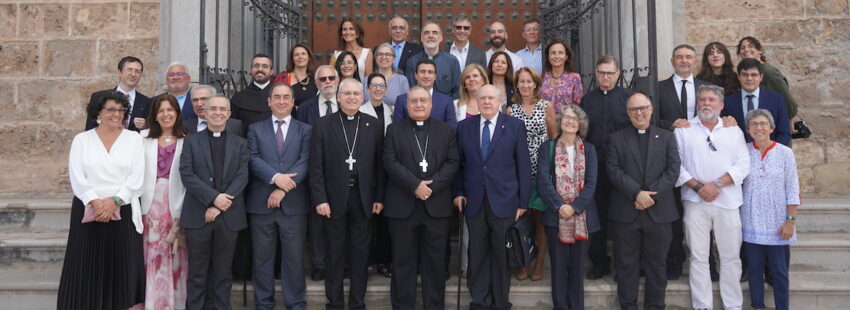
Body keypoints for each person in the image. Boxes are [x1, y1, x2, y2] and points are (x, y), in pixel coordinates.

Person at [59, 90, 145, 309]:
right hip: (89, 209)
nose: (117, 114)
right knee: (87, 264)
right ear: (98, 111)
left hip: (122, 209)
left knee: (121, 265)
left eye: (121, 110)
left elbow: (137, 177)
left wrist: (114, 202)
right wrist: (97, 203)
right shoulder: (82, 140)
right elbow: (77, 176)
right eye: (111, 109)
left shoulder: (133, 139)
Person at [453, 84, 531, 309]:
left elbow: (524, 166)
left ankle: (499, 302)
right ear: (476, 101)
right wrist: (458, 192)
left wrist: (523, 202)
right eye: (483, 98)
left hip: (505, 201)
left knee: (500, 254)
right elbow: (459, 165)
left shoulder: (515, 126)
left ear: (500, 102)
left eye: (491, 98)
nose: (487, 102)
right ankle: (479, 300)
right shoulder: (464, 127)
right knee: (477, 253)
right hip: (474, 201)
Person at [310, 78, 385, 309]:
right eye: (347, 94)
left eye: (356, 93)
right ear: (339, 97)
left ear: (362, 97)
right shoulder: (323, 124)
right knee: (334, 255)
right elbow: (316, 166)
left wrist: (379, 198)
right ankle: (334, 303)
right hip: (333, 200)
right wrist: (320, 198)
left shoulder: (373, 124)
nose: (352, 97)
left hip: (363, 199)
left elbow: (380, 166)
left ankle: (357, 303)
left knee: (360, 256)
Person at [383, 86, 460, 309]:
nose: (418, 105)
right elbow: (389, 162)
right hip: (402, 206)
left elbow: (453, 162)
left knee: (435, 265)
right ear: (406, 105)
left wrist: (430, 187)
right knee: (402, 263)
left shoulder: (446, 131)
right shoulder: (394, 130)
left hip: (435, 208)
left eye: (423, 101)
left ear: (430, 104)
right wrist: (414, 185)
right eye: (414, 101)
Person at [675, 84, 750, 310]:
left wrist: (717, 184)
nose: (706, 104)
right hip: (695, 202)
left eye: (711, 100)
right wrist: (699, 187)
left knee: (730, 257)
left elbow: (743, 165)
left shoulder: (733, 130)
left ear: (721, 105)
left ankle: (733, 305)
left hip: (727, 202)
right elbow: (675, 165)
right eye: (702, 100)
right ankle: (702, 305)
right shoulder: (684, 130)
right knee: (698, 258)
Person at [607, 93, 681, 310]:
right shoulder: (616, 138)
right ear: (628, 113)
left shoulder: (667, 137)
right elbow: (613, 170)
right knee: (626, 264)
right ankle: (628, 305)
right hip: (625, 211)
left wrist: (649, 195)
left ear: (651, 109)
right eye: (633, 109)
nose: (639, 113)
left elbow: (673, 170)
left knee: (657, 264)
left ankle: (655, 306)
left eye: (643, 108)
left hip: (659, 212)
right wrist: (636, 193)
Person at [245, 83, 312, 310]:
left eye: (286, 97)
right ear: (269, 101)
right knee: (262, 259)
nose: (281, 101)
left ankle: (295, 304)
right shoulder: (255, 129)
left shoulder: (305, 129)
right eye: (277, 97)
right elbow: (252, 158)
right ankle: (263, 304)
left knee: (294, 259)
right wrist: (275, 177)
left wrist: (283, 188)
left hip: (293, 205)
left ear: (293, 102)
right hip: (261, 205)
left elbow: (305, 161)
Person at [179, 95, 249, 310]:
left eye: (222, 109)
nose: (218, 112)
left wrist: (219, 204)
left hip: (229, 216)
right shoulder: (190, 141)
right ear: (205, 113)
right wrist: (213, 198)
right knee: (197, 273)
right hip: (197, 215)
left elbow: (242, 176)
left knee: (223, 272)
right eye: (213, 109)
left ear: (229, 114)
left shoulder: (241, 143)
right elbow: (187, 174)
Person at [655, 45, 713, 280]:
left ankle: (709, 263)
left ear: (695, 60)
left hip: (701, 157)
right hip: (669, 155)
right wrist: (670, 124)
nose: (684, 61)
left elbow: (715, 116)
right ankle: (675, 259)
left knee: (703, 210)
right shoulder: (659, 89)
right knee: (675, 213)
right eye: (679, 57)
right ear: (672, 60)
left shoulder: (706, 89)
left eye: (688, 57)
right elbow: (652, 117)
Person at [535, 104, 599, 310]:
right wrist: (560, 206)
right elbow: (543, 182)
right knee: (559, 268)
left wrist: (575, 207)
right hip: (556, 217)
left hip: (583, 216)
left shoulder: (589, 149)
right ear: (560, 122)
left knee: (577, 268)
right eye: (566, 118)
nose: (570, 121)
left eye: (574, 118)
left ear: (580, 124)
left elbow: (591, 183)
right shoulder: (548, 148)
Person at [580, 55, 632, 280]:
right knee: (597, 215)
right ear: (596, 73)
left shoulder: (628, 99)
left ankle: (626, 264)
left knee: (623, 216)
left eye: (610, 73)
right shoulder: (587, 100)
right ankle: (600, 262)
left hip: (623, 167)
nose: (606, 77)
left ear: (618, 74)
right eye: (601, 73)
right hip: (596, 167)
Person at [741, 109, 799, 310]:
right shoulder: (742, 151)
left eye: (763, 123)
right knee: (754, 270)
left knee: (779, 272)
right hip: (751, 221)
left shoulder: (785, 153)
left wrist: (790, 220)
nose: (759, 127)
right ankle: (758, 306)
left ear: (772, 128)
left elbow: (793, 189)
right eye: (754, 124)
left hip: (778, 223)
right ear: (748, 129)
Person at [505, 67, 557, 281]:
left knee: (539, 220)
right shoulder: (510, 110)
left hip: (541, 171)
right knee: (519, 219)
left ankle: (539, 264)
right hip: (517, 172)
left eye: (529, 81)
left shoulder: (546, 106)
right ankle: (522, 262)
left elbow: (553, 138)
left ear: (535, 84)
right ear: (516, 84)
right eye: (521, 81)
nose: (525, 85)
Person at [137, 94, 189, 310]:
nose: (166, 114)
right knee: (152, 255)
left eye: (170, 110)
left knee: (175, 253)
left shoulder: (188, 139)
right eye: (161, 111)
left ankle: (174, 304)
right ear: (154, 116)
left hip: (177, 202)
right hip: (149, 205)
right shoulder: (142, 138)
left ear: (177, 113)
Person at [294, 65, 340, 281]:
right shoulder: (305, 108)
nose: (327, 81)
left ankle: (341, 262)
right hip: (316, 172)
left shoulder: (348, 102)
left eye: (331, 77)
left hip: (343, 171)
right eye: (323, 79)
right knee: (318, 223)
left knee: (341, 222)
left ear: (338, 80)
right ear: (316, 83)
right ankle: (319, 264)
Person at [452, 63, 489, 278]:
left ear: (484, 79)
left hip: (489, 171)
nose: (472, 79)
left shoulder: (495, 103)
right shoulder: (456, 105)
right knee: (468, 222)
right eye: (468, 77)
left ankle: (486, 263)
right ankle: (466, 266)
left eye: (476, 76)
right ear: (464, 82)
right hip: (465, 169)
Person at [360, 72, 394, 278]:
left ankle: (383, 259)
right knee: (367, 219)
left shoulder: (393, 110)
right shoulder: (361, 110)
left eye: (382, 85)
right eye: (374, 85)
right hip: (367, 171)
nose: (378, 89)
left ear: (386, 89)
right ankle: (368, 260)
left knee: (384, 221)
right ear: (367, 89)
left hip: (387, 172)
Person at [722, 58, 792, 146]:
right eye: (745, 75)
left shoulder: (776, 99)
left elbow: (784, 132)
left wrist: (772, 152)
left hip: (769, 154)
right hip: (739, 156)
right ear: (738, 77)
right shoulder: (728, 102)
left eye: (754, 75)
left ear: (761, 77)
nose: (749, 78)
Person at [737, 36, 798, 121]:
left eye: (750, 46)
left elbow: (787, 99)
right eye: (742, 48)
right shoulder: (745, 71)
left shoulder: (767, 70)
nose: (746, 50)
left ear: (760, 51)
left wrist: (789, 121)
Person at [85, 56, 152, 132]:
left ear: (140, 75)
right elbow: (90, 128)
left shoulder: (147, 102)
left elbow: (151, 132)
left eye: (137, 71)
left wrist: (145, 125)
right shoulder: (99, 97)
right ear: (119, 73)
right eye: (129, 70)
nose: (133, 74)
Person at [404, 22, 462, 99]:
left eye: (434, 33)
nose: (430, 36)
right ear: (421, 38)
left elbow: (456, 91)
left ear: (440, 38)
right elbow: (410, 89)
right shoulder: (412, 62)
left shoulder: (452, 61)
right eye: (426, 33)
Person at [394, 58, 458, 127]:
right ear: (416, 75)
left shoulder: (446, 101)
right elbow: (396, 129)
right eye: (422, 72)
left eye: (430, 72)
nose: (426, 76)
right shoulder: (401, 100)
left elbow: (452, 130)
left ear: (435, 76)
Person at [231, 54, 276, 133]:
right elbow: (233, 127)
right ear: (251, 70)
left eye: (265, 66)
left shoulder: (280, 97)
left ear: (271, 71)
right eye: (256, 65)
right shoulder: (239, 98)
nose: (260, 69)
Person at [540, 40, 584, 113]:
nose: (557, 56)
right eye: (553, 53)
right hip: (544, 122)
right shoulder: (541, 78)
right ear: (548, 57)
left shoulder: (574, 78)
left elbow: (578, 105)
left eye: (560, 53)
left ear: (566, 57)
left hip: (566, 122)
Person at [365, 43, 409, 108]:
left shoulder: (402, 80)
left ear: (394, 59)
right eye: (380, 54)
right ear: (376, 58)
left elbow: (406, 105)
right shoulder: (366, 80)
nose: (384, 57)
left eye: (388, 54)